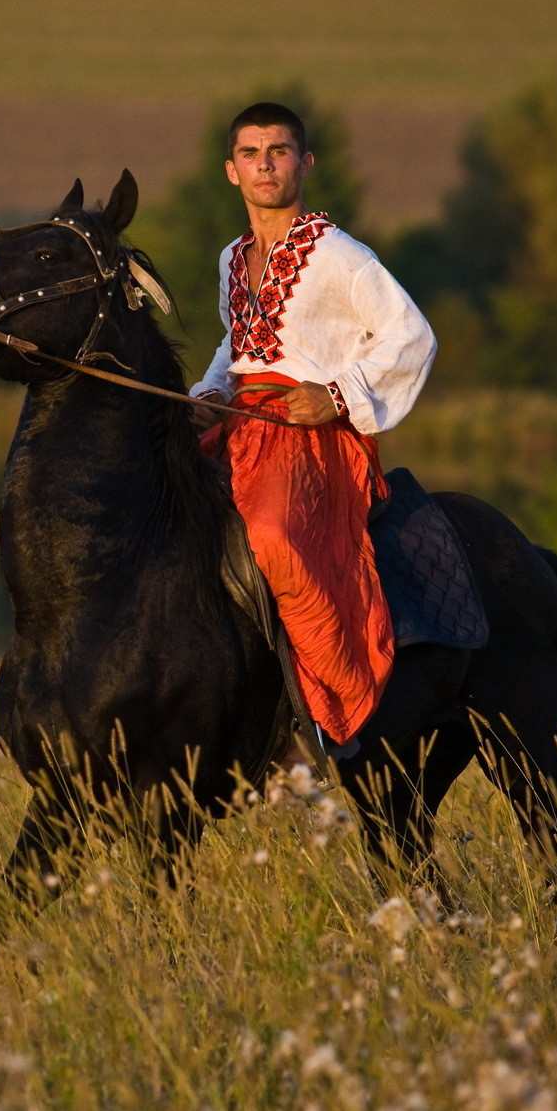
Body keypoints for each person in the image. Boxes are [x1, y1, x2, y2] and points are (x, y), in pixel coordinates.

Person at [190, 101, 437, 752]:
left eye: (278, 151)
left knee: (272, 533)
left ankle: (327, 714)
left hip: (312, 437)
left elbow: (411, 336)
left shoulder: (339, 256)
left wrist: (336, 394)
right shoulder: (231, 257)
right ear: (230, 171)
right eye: (251, 153)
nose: (265, 164)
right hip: (241, 421)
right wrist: (211, 391)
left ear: (305, 162)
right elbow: (237, 342)